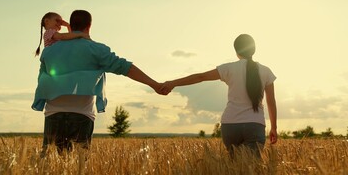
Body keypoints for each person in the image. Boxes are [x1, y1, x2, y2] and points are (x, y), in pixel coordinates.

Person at [32, 10, 165, 153]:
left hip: (53, 114)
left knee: (50, 167)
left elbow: (42, 80)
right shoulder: (95, 49)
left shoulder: (48, 51)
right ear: (89, 26)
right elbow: (125, 67)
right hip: (82, 115)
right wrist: (154, 84)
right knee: (79, 166)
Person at [161, 34, 277, 158]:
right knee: (252, 167)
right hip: (254, 125)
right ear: (254, 50)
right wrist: (274, 128)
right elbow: (271, 102)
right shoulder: (266, 71)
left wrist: (173, 83)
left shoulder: (228, 68)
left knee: (233, 165)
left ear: (236, 51)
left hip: (230, 125)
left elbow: (201, 77)